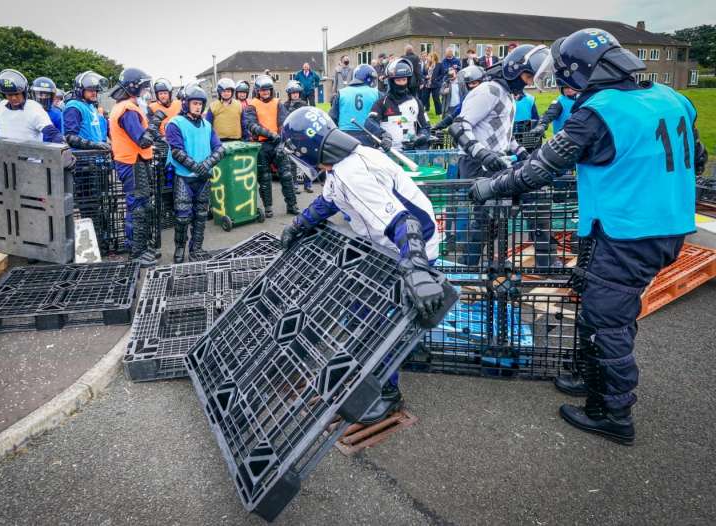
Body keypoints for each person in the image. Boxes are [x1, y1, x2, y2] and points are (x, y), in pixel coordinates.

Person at [469, 29, 708, 445]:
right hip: (666, 225)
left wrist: (489, 187)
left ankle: (612, 413)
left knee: (607, 321)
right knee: (594, 298)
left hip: (624, 230)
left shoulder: (599, 112)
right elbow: (698, 158)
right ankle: (588, 375)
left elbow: (539, 170)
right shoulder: (673, 98)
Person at [279, 106, 452, 424]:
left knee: (370, 322)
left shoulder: (351, 173)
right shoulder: (344, 161)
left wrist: (415, 267)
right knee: (370, 311)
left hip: (408, 247)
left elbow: (403, 221)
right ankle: (410, 347)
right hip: (391, 246)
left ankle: (387, 393)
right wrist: (299, 224)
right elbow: (329, 200)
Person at [447, 46, 543, 266]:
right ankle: (467, 266)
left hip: (495, 161)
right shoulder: (488, 90)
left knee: (498, 217)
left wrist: (523, 153)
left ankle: (493, 261)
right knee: (485, 218)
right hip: (476, 162)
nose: (529, 82)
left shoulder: (508, 96)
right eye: (528, 76)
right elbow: (459, 126)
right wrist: (482, 153)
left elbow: (504, 137)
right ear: (514, 70)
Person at [165, 84, 225, 264]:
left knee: (200, 216)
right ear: (185, 104)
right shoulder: (175, 124)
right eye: (194, 103)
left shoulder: (207, 125)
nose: (198, 107)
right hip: (184, 177)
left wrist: (206, 164)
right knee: (182, 217)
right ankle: (180, 248)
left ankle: (196, 248)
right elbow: (176, 151)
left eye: (200, 103)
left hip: (203, 178)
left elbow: (219, 149)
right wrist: (195, 166)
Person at [108, 67, 157, 267]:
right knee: (137, 207)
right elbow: (143, 140)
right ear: (133, 87)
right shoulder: (127, 109)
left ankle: (141, 247)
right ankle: (136, 253)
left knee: (142, 205)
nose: (146, 91)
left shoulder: (126, 106)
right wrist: (156, 123)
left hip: (135, 161)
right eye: (143, 87)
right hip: (132, 162)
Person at [243, 74, 299, 217]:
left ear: (271, 90)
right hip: (261, 145)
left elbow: (284, 123)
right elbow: (251, 125)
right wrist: (269, 134)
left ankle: (292, 205)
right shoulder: (251, 104)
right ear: (257, 91)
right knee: (265, 178)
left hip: (277, 144)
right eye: (262, 90)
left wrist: (281, 140)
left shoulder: (277, 102)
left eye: (268, 89)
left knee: (286, 175)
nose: (265, 92)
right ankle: (268, 207)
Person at [366, 59, 430, 152]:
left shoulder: (416, 102)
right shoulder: (382, 102)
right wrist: (383, 135)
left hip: (410, 153)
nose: (401, 83)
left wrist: (421, 137)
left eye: (404, 80)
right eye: (398, 80)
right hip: (387, 153)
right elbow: (369, 122)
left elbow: (425, 127)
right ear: (391, 81)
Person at [0, 69, 64, 143]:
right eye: (9, 95)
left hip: (31, 156)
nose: (13, 98)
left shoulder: (34, 108)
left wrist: (64, 140)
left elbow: (51, 132)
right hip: (5, 155)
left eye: (17, 94)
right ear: (4, 94)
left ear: (24, 92)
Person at [328, 64, 381, 147]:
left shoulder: (341, 93)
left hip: (345, 136)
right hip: (369, 136)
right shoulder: (376, 93)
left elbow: (332, 118)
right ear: (369, 78)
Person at [63, 70, 110, 149]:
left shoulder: (90, 106)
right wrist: (93, 145)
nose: (94, 93)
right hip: (82, 158)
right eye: (90, 90)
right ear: (80, 90)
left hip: (94, 156)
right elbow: (70, 137)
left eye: (95, 90)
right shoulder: (74, 107)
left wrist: (103, 144)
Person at [283, 80, 311, 194]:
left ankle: (307, 184)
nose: (295, 95)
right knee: (293, 162)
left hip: (303, 135)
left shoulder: (304, 105)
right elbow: (284, 120)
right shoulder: (285, 105)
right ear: (289, 94)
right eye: (293, 93)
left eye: (297, 93)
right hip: (291, 136)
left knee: (306, 161)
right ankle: (294, 185)